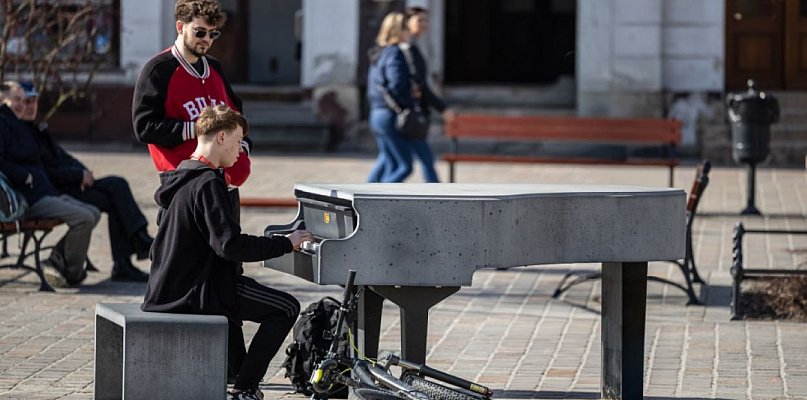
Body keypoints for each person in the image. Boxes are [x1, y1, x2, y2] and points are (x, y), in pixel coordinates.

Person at [141, 105, 313, 400]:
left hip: (168, 287)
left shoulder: (182, 174)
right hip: (195, 292)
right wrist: (287, 242)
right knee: (285, 308)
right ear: (221, 137)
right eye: (238, 143)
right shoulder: (208, 183)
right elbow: (229, 245)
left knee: (240, 298)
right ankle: (244, 389)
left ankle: (239, 376)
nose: (240, 153)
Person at [18, 81, 153, 282]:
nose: (30, 106)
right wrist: (78, 176)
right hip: (59, 190)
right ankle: (133, 249)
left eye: (33, 101)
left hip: (72, 183)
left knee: (117, 185)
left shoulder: (36, 129)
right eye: (25, 101)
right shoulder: (21, 135)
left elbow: (63, 156)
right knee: (114, 193)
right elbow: (44, 173)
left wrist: (83, 171)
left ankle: (130, 253)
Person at [132, 0, 251, 212]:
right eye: (200, 32)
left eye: (212, 34)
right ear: (180, 27)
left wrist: (243, 151)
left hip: (226, 190)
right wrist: (198, 129)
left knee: (230, 245)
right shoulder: (158, 70)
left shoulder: (214, 68)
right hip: (185, 190)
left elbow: (237, 116)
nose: (206, 40)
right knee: (184, 246)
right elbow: (144, 127)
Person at [0, 81, 100, 286]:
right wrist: (24, 176)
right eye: (16, 100)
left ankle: (57, 259)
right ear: (3, 100)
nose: (21, 104)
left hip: (44, 191)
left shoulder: (20, 124)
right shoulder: (3, 123)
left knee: (93, 212)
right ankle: (72, 272)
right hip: (29, 198)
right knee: (84, 218)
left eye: (24, 100)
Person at [403, 6, 454, 182]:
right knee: (409, 163)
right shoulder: (407, 49)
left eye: (426, 20)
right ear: (407, 23)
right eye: (419, 20)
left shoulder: (414, 47)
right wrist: (442, 108)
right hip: (409, 112)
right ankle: (437, 196)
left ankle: (368, 192)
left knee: (392, 163)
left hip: (408, 111)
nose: (424, 24)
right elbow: (420, 85)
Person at [366, 12, 415, 183]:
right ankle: (376, 200)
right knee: (405, 166)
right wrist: (409, 103)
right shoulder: (395, 53)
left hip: (376, 112)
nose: (410, 32)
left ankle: (363, 196)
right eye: (407, 28)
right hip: (389, 114)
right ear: (398, 31)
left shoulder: (378, 52)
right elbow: (396, 84)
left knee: (387, 160)